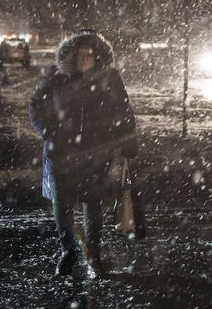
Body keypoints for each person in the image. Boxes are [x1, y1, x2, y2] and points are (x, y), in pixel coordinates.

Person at [29, 29, 138, 276]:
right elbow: (36, 104)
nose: (84, 59)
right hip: (60, 154)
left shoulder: (109, 78)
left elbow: (124, 111)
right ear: (72, 55)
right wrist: (48, 131)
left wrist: (126, 147)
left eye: (89, 54)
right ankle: (68, 251)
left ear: (98, 56)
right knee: (62, 205)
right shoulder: (57, 77)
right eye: (80, 54)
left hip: (96, 153)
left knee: (92, 204)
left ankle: (94, 254)